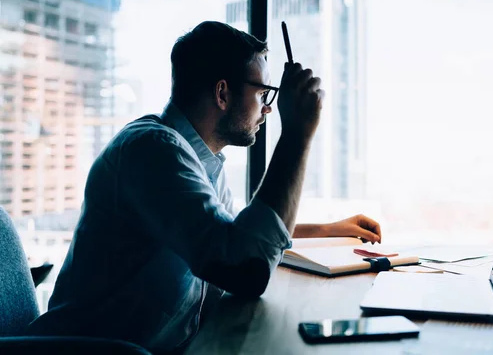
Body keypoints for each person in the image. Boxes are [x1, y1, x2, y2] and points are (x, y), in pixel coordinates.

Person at [27, 21, 381, 353]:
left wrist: (328, 230)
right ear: (223, 93)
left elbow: (234, 233)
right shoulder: (153, 152)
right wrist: (297, 134)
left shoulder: (197, 159)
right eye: (263, 94)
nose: (268, 110)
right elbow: (246, 269)